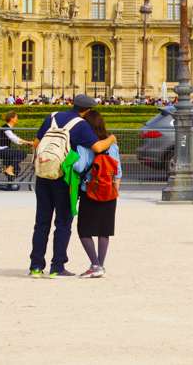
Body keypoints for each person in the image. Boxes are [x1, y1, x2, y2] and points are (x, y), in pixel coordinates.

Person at [29, 94, 116, 278]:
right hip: (64, 179)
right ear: (88, 110)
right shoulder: (81, 125)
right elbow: (98, 147)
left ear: (72, 104)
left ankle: (36, 267)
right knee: (62, 222)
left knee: (41, 222)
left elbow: (36, 145)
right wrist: (112, 138)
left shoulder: (51, 117)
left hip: (44, 175)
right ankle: (57, 267)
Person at [74, 110, 121, 278]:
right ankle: (100, 265)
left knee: (84, 230)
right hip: (109, 191)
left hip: (90, 190)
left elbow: (79, 167)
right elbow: (118, 172)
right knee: (104, 230)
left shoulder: (84, 145)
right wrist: (114, 190)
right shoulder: (112, 145)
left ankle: (95, 265)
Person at [0, 112, 34, 177]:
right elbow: (14, 139)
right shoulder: (6, 127)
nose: (17, 118)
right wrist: (28, 142)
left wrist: (27, 142)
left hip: (4, 149)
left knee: (16, 169)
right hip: (1, 149)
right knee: (22, 154)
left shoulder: (9, 128)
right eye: (16, 117)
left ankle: (10, 185)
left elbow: (16, 139)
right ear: (11, 119)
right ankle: (9, 169)